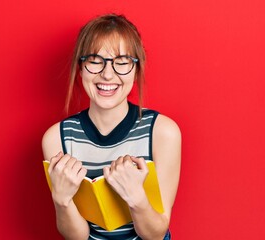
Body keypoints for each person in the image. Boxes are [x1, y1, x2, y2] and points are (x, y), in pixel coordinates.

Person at [42, 13, 181, 240]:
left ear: (136, 70)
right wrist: (62, 200)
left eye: (122, 63)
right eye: (95, 61)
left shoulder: (163, 132)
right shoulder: (56, 138)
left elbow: (155, 235)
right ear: (81, 67)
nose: (107, 74)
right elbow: (76, 237)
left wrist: (136, 197)